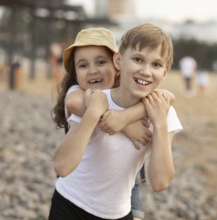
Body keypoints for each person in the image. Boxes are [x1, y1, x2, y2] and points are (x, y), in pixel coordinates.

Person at [49, 23, 182, 219]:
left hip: (117, 213)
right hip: (70, 205)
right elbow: (62, 166)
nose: (146, 71)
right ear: (119, 61)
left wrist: (159, 123)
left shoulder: (164, 113)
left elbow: (160, 182)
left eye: (156, 64)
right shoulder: (94, 97)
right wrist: (94, 113)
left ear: (165, 71)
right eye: (138, 59)